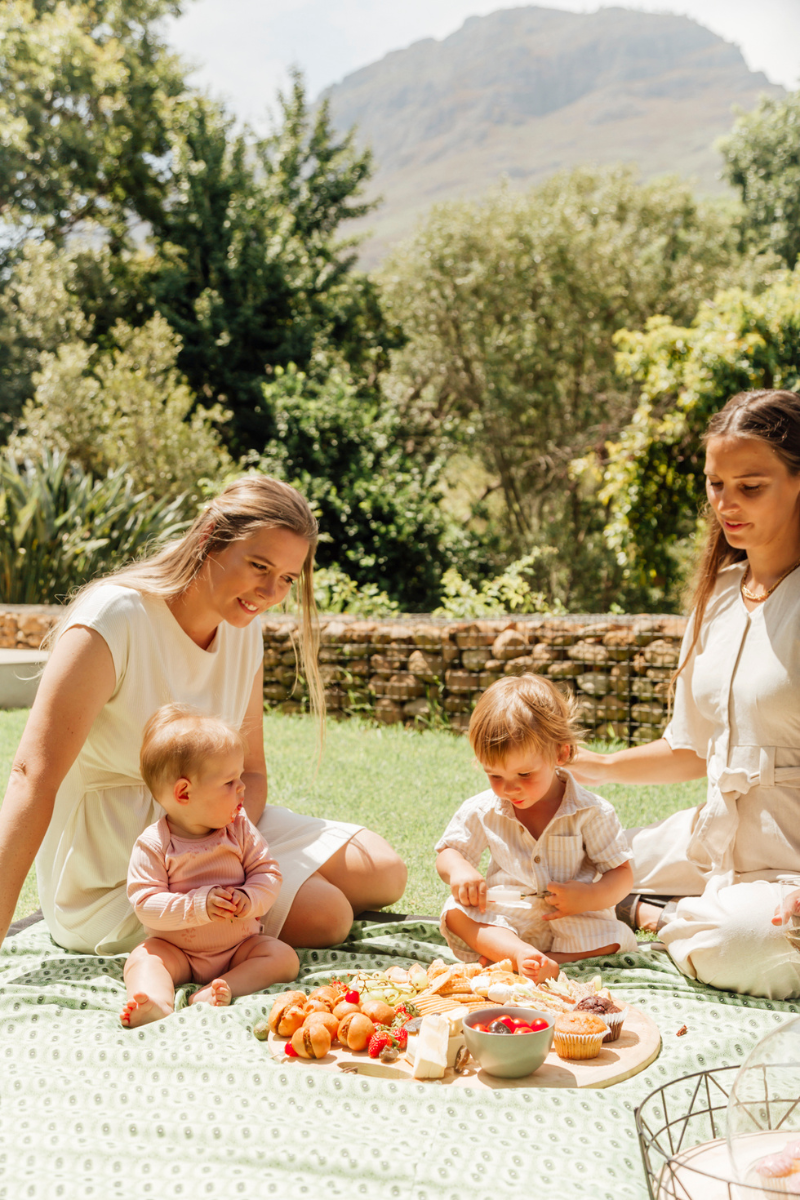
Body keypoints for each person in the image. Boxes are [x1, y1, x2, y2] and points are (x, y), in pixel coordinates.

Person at [0, 474, 407, 954]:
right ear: (210, 535)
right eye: (259, 565)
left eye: (287, 579)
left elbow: (251, 772)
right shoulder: (115, 618)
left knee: (383, 870)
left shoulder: (243, 629)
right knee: (327, 917)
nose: (270, 592)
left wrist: (228, 850)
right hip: (120, 865)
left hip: (217, 822)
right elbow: (32, 776)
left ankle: (252, 890)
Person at [572, 389, 800, 1001]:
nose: (725, 504)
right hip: (712, 844)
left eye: (750, 487)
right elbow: (693, 750)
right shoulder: (720, 593)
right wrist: (589, 764)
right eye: (714, 484)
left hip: (792, 868)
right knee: (563, 876)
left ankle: (657, 915)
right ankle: (668, 906)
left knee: (744, 941)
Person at [435, 673, 638, 981]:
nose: (509, 789)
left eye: (525, 774)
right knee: (454, 912)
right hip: (509, 913)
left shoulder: (591, 812)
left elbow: (622, 875)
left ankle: (532, 960)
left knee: (616, 938)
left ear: (561, 753)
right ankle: (519, 954)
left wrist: (589, 897)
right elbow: (450, 851)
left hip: (573, 916)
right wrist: (461, 871)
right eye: (495, 776)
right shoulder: (483, 808)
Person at [121, 705, 298, 1029]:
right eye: (230, 782)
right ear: (184, 793)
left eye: (240, 777)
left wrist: (250, 898)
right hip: (176, 950)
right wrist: (198, 905)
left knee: (284, 958)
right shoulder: (155, 843)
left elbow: (268, 873)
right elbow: (145, 905)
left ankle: (225, 986)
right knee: (143, 958)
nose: (242, 788)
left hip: (239, 948)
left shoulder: (240, 829)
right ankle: (156, 1001)